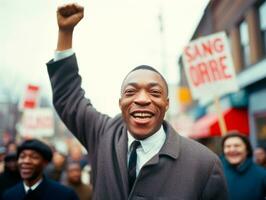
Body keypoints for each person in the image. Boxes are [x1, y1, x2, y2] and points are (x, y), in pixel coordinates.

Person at [46, 3, 228, 199]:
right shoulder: (103, 135)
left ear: (167, 104)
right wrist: (65, 33)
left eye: (154, 92)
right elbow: (68, 98)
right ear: (120, 103)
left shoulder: (204, 164)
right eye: (131, 92)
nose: (142, 99)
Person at [1, 139, 79, 200]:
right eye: (22, 156)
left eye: (34, 157)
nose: (26, 161)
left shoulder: (65, 195)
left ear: (45, 163)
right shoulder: (9, 196)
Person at [221, 132, 266, 200]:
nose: (232, 149)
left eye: (237, 145)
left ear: (247, 149)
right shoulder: (217, 172)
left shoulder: (262, 174)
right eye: (228, 146)